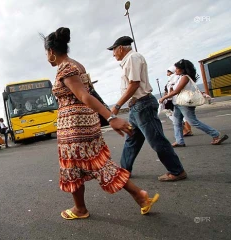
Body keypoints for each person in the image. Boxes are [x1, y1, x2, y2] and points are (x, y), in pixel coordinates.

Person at [41, 27, 159, 219]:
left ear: (51, 52)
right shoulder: (77, 65)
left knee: (74, 166)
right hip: (86, 123)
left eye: (46, 53)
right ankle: (138, 196)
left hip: (74, 127)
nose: (46, 57)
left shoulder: (66, 69)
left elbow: (84, 96)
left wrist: (111, 117)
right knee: (97, 163)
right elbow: (88, 93)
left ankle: (81, 209)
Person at [107, 36, 187, 181]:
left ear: (120, 48)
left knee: (157, 140)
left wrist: (117, 106)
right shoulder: (128, 61)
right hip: (136, 107)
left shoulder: (133, 58)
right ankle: (124, 170)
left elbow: (134, 84)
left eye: (113, 50)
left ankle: (177, 171)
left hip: (143, 104)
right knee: (131, 139)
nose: (113, 54)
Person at [159, 59, 229, 146]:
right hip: (177, 103)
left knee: (193, 122)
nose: (175, 70)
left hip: (185, 103)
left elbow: (176, 91)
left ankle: (216, 134)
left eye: (177, 68)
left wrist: (164, 98)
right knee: (176, 122)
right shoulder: (180, 77)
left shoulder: (185, 77)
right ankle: (179, 141)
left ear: (182, 69)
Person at [165, 67, 193, 136]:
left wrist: (164, 97)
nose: (167, 74)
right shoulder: (179, 78)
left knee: (172, 116)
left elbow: (174, 91)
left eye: (168, 72)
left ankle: (186, 131)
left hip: (175, 100)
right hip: (180, 100)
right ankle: (186, 132)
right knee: (183, 117)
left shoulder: (174, 79)